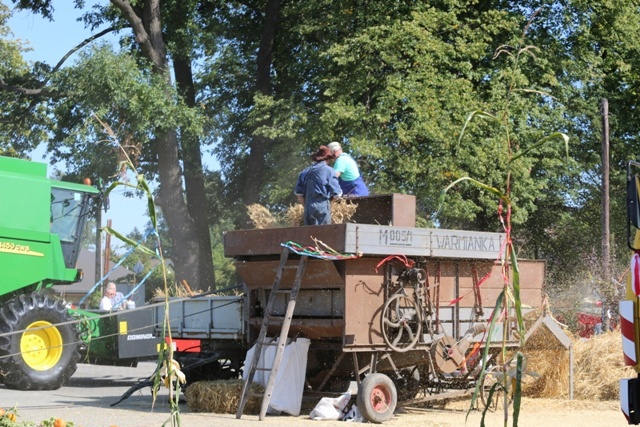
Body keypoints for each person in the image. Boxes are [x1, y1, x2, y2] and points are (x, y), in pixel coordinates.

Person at [295, 145, 343, 225]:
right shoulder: (329, 171)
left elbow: (299, 195)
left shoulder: (304, 172)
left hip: (307, 209)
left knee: (309, 235)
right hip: (322, 207)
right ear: (328, 159)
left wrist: (307, 206)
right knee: (323, 235)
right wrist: (328, 203)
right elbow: (337, 194)